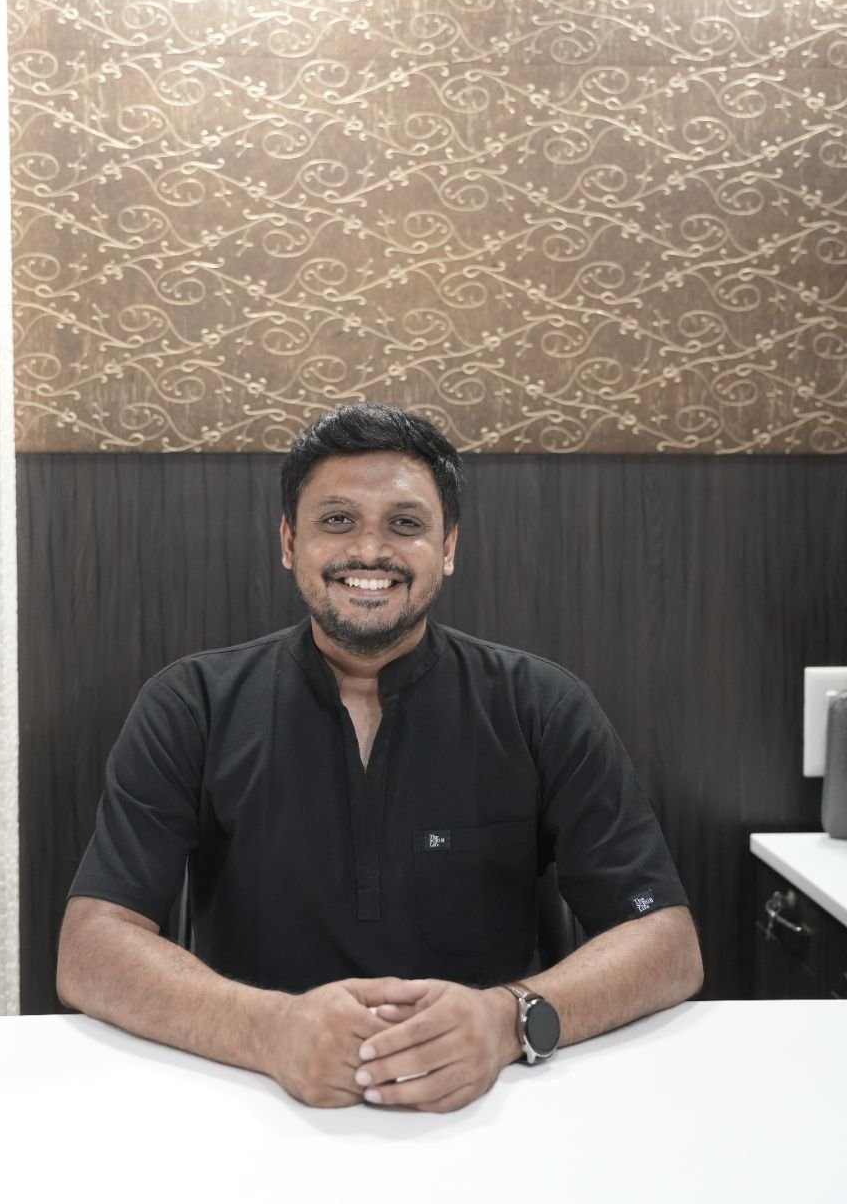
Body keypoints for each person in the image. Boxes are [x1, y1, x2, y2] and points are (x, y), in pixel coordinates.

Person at [57, 403, 703, 1113]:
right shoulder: (191, 705)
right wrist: (269, 1030)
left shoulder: (542, 706)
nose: (370, 551)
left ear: (448, 547)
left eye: (405, 523)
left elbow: (666, 944)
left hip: (499, 1106)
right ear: (288, 541)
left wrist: (505, 1020)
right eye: (337, 520)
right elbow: (92, 948)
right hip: (251, 1100)